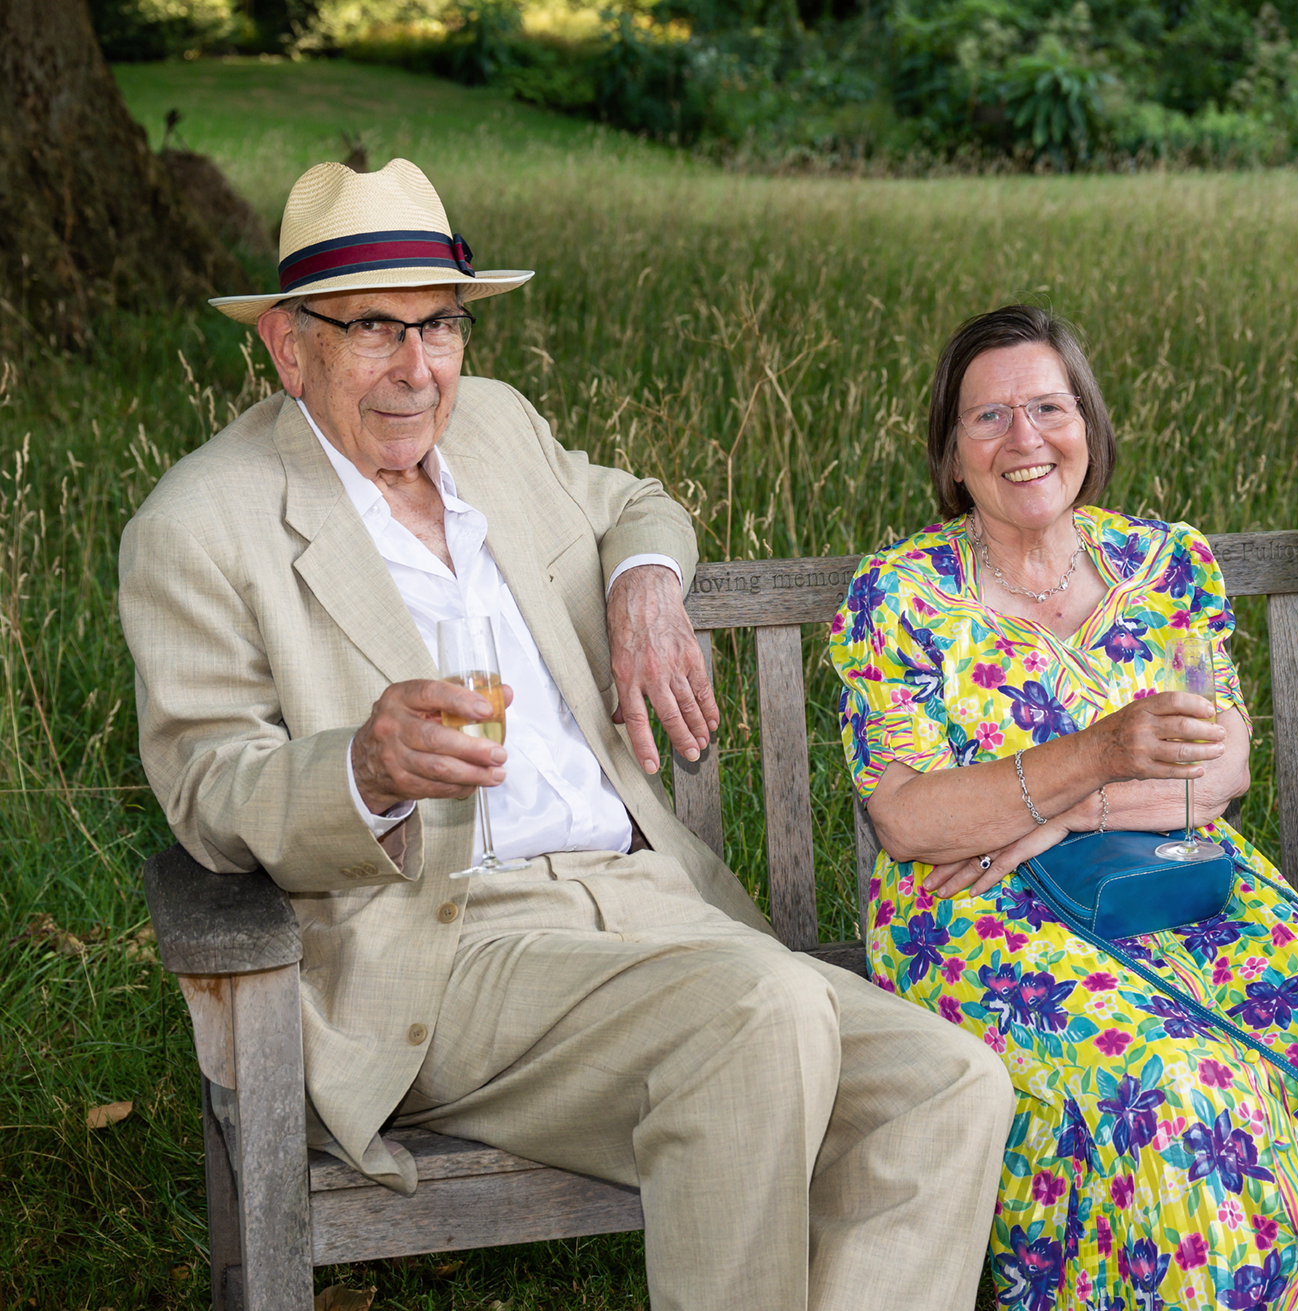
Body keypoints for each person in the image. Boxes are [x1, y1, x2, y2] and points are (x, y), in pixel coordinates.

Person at [118, 157, 1011, 1311]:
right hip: (444, 951)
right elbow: (204, 780)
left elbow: (636, 501)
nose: (415, 367)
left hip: (646, 906)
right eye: (372, 329)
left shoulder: (493, 427)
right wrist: (361, 768)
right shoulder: (201, 522)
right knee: (759, 1014)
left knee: (949, 1084)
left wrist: (642, 581)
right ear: (289, 347)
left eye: (438, 325)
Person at [825, 305, 1298, 1311]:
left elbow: (1217, 767)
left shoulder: (1164, 564)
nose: (1024, 440)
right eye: (988, 418)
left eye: (1047, 407)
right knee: (1171, 1084)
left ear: (1085, 424)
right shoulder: (898, 596)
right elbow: (910, 823)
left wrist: (1064, 814)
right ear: (950, 453)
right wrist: (1097, 752)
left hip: (1185, 881)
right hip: (980, 916)